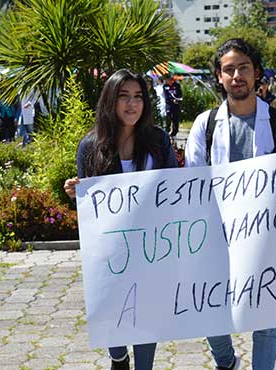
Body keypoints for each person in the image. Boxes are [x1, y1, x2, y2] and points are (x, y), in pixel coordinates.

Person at [185, 38, 276, 370]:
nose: (237, 75)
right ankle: (226, 362)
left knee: (266, 320)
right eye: (229, 70)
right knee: (210, 313)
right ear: (219, 76)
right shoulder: (206, 125)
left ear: (256, 73)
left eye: (243, 68)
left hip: (265, 237)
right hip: (217, 235)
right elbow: (194, 180)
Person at [63, 69, 177, 370]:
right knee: (112, 318)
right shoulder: (90, 146)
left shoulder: (158, 141)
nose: (132, 104)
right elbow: (90, 212)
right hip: (110, 254)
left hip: (151, 249)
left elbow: (176, 191)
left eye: (138, 97)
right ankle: (118, 357)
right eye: (124, 97)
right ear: (110, 101)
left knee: (146, 316)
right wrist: (78, 195)